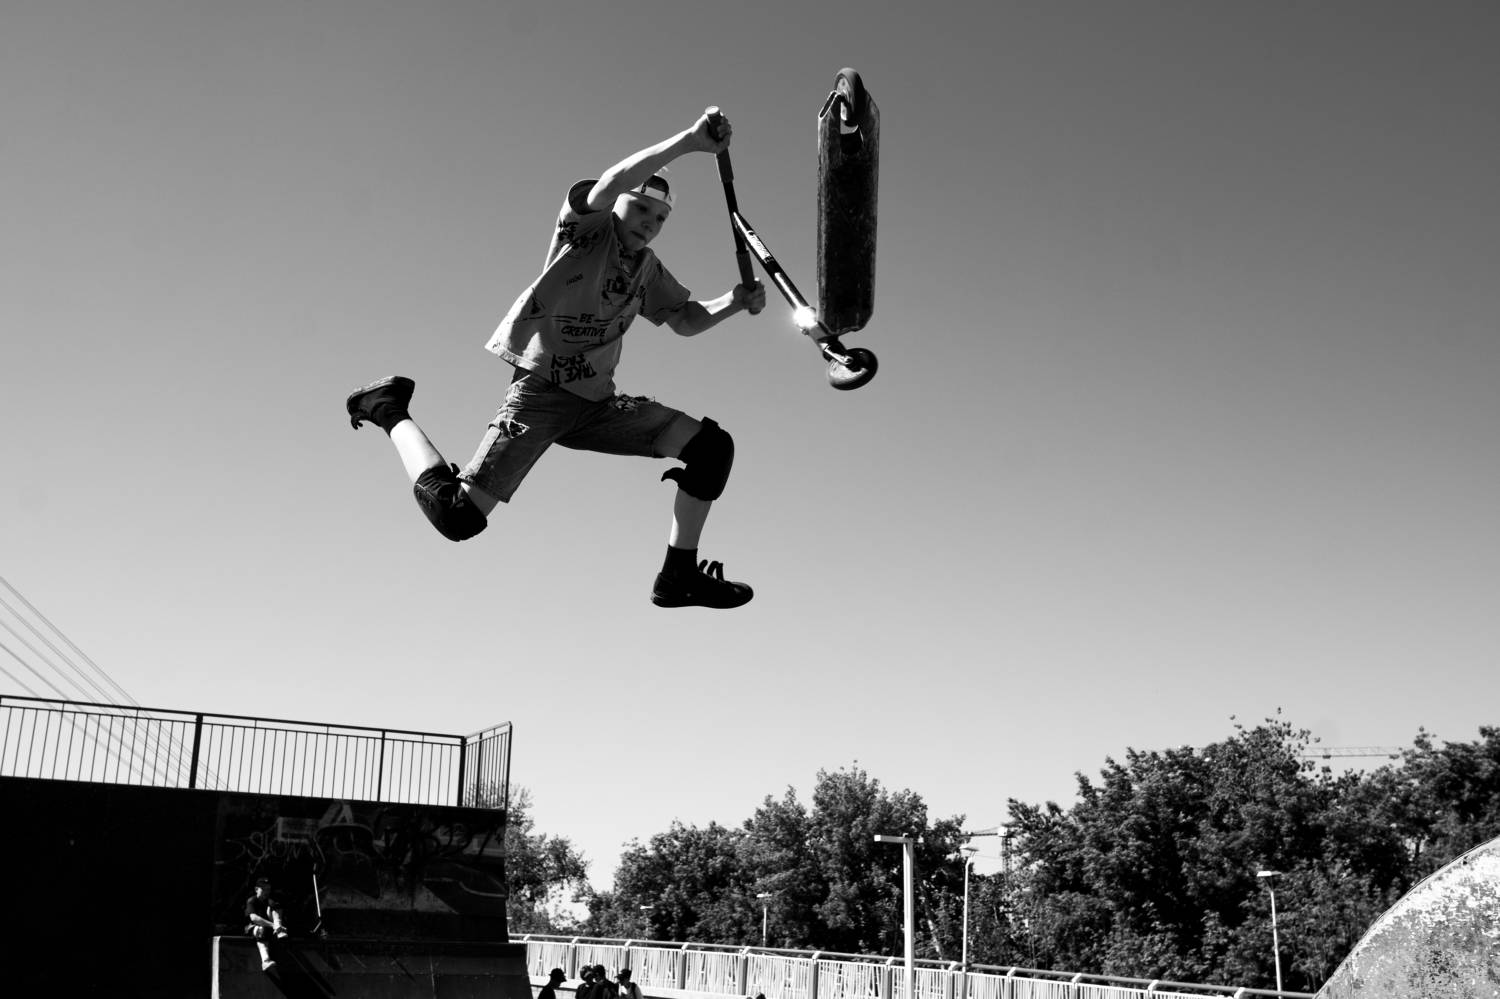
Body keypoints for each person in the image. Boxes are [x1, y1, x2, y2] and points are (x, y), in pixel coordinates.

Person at [347, 109, 766, 609]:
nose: (650, 225)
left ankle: (678, 577)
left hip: (599, 407)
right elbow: (613, 180)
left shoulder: (647, 269)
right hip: (542, 395)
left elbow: (685, 319)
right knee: (458, 517)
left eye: (660, 219)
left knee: (711, 449)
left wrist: (733, 302)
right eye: (641, 210)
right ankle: (387, 407)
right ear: (618, 205)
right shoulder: (586, 230)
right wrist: (689, 142)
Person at [244, 876, 288, 971]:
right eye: (263, 889)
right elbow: (254, 918)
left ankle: (279, 930)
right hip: (252, 927)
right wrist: (273, 925)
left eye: (268, 889)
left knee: (275, 909)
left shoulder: (270, 901)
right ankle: (265, 961)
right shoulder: (252, 901)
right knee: (261, 930)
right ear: (256, 889)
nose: (266, 892)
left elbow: (277, 911)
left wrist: (277, 924)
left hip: (269, 928)